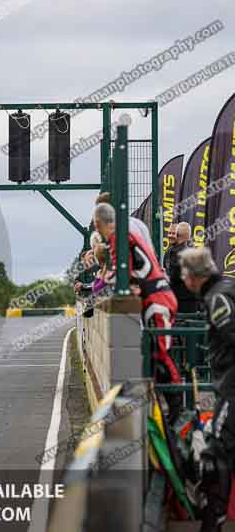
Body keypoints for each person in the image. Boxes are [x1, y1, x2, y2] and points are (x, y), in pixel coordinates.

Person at [93, 203, 181, 422]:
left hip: (157, 299)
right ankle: (164, 405)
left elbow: (119, 274)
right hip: (156, 296)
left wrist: (108, 281)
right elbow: (128, 273)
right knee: (154, 352)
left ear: (98, 224)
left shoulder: (117, 237)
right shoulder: (127, 233)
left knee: (160, 352)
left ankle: (176, 407)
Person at [179, 247, 235, 532]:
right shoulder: (226, 286)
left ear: (191, 277)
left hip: (232, 386)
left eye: (183, 273)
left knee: (216, 452)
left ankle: (214, 521)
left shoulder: (218, 299)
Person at [163, 222, 198, 314]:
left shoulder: (187, 254)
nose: (170, 235)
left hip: (185, 302)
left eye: (173, 233)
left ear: (178, 235)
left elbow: (173, 276)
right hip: (177, 300)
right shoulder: (169, 252)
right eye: (169, 233)